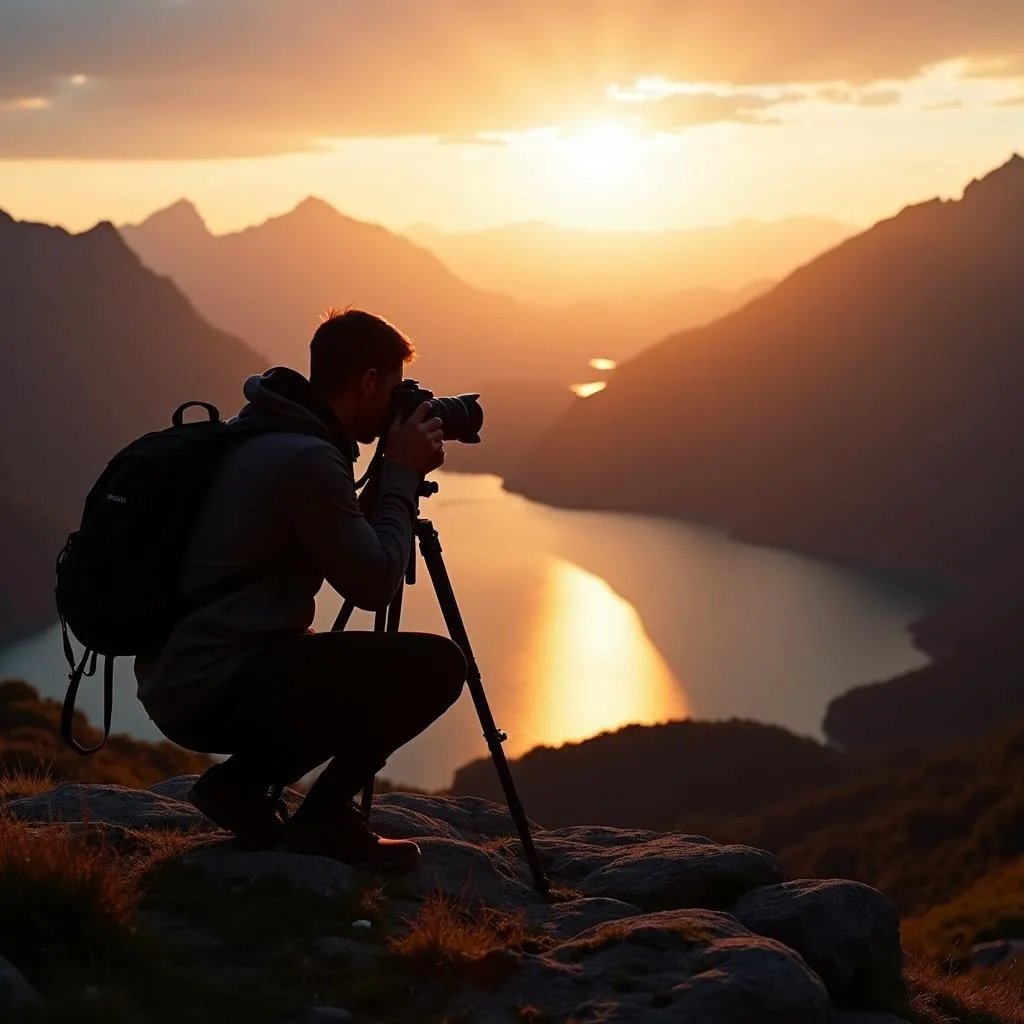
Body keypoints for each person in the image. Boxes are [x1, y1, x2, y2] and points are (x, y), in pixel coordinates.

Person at [133, 308, 468, 870]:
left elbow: (342, 541)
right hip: (214, 683)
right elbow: (375, 584)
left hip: (184, 675)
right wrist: (403, 478)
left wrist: (389, 475)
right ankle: (325, 819)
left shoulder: (272, 430)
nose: (398, 403)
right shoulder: (307, 458)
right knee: (438, 666)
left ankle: (239, 787)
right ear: (367, 381)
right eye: (393, 388)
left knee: (339, 667)